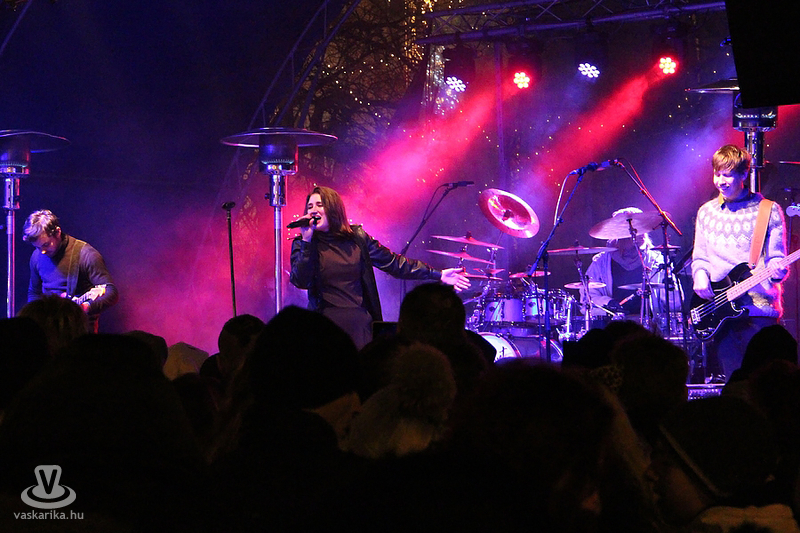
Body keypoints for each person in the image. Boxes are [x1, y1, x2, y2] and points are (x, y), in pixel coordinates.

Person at [289, 186, 470, 348]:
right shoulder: (303, 244)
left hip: (358, 322)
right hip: (324, 323)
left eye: (319, 205)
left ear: (333, 208)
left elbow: (394, 263)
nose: (313, 210)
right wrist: (307, 242)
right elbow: (301, 280)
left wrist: (438, 274)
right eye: (309, 207)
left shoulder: (357, 238)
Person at [691, 145, 788, 380]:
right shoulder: (706, 212)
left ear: (744, 174)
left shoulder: (769, 210)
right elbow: (700, 256)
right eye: (717, 174)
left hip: (759, 313)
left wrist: (778, 270)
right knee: (734, 384)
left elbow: (777, 257)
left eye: (727, 175)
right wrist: (700, 276)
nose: (720, 181)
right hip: (722, 314)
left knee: (763, 384)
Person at [582, 207, 680, 328]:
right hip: (613, 327)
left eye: (643, 228)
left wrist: (669, 289)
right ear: (620, 235)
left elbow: (676, 304)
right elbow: (587, 296)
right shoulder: (601, 262)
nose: (641, 234)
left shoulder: (658, 260)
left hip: (651, 327)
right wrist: (608, 302)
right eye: (635, 229)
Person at [23, 209, 118, 333]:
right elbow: (34, 293)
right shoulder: (36, 256)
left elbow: (111, 292)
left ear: (57, 232)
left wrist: (87, 306)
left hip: (79, 332)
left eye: (46, 244)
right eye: (37, 247)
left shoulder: (86, 255)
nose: (43, 251)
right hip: (48, 331)